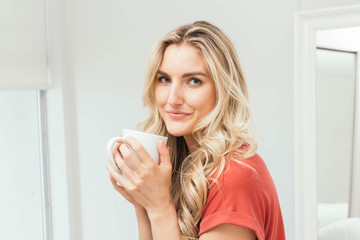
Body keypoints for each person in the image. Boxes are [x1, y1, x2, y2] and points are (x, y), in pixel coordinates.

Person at [106, 21, 285, 240]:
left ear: (223, 89)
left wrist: (159, 207)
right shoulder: (184, 164)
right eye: (164, 79)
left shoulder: (235, 177)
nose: (173, 99)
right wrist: (143, 204)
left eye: (193, 81)